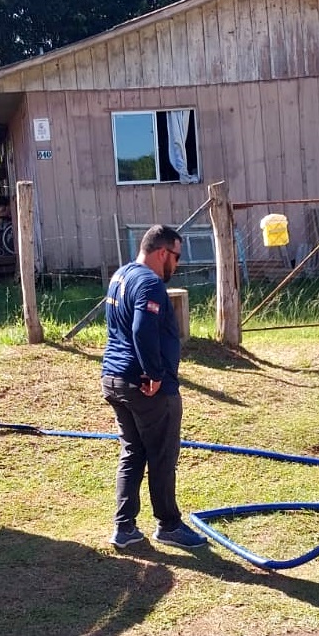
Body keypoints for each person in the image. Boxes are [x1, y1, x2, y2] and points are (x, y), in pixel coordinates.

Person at [100, 224, 207, 551]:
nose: (177, 264)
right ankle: (169, 525)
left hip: (114, 378)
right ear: (162, 253)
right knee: (162, 455)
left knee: (133, 450)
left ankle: (125, 528)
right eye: (176, 256)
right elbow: (142, 329)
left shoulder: (122, 276)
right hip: (145, 386)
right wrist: (155, 374)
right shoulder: (149, 283)